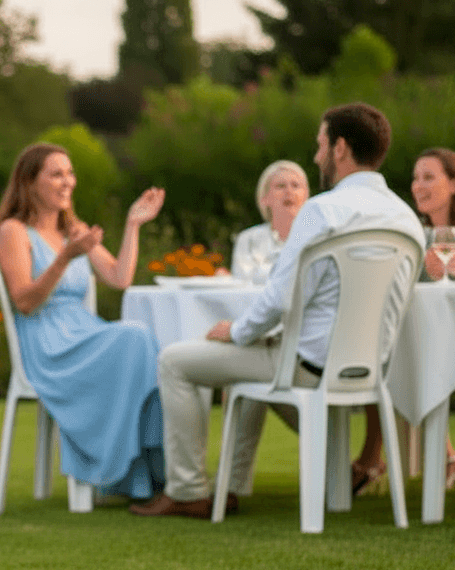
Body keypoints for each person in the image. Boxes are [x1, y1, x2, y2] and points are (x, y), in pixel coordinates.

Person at [132, 103, 426, 519]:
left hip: (306, 366)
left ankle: (187, 490)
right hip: (371, 369)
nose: (317, 157)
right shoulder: (406, 218)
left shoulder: (322, 210)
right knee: (255, 354)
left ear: (340, 148)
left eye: (320, 145)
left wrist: (236, 331)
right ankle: (234, 487)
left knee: (175, 361)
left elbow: (278, 298)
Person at [0, 142, 167, 497]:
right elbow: (24, 302)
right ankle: (146, 470)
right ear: (29, 182)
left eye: (70, 174)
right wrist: (64, 258)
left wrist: (133, 224)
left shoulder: (73, 230)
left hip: (83, 330)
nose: (67, 182)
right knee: (135, 337)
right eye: (56, 174)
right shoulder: (14, 231)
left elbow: (119, 277)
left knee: (141, 340)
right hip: (49, 342)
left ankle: (155, 467)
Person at [351, 146, 455, 493]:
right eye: (415, 178)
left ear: (453, 184)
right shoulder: (413, 235)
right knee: (383, 348)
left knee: (401, 352)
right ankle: (440, 456)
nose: (418, 185)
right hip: (421, 334)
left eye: (429, 177)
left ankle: (372, 460)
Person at [230, 161, 309, 283]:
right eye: (281, 186)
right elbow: (243, 280)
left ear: (306, 196)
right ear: (264, 198)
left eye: (295, 186)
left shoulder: (316, 237)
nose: (289, 191)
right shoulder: (248, 239)